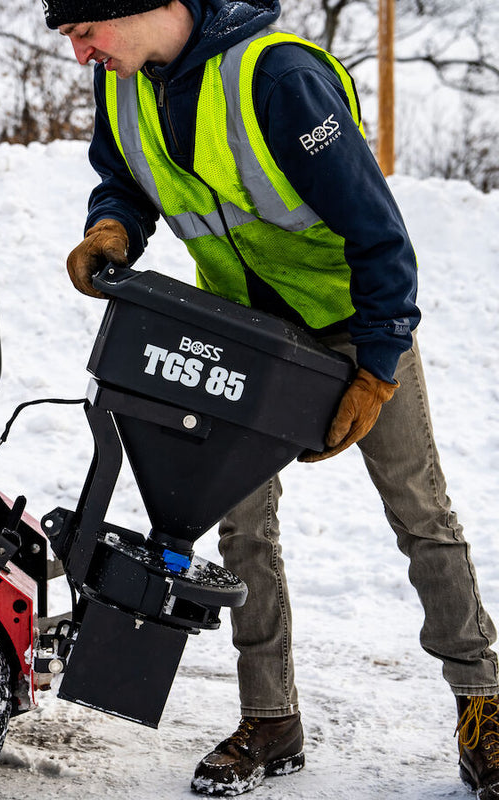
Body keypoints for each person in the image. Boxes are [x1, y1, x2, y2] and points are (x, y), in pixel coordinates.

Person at [41, 0, 499, 796]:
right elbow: (123, 179)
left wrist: (379, 365)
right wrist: (111, 228)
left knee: (421, 513)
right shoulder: (121, 86)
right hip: (248, 335)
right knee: (242, 521)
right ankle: (270, 720)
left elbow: (379, 233)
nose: (81, 53)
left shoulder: (277, 77)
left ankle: (483, 702)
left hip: (353, 323)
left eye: (86, 32)